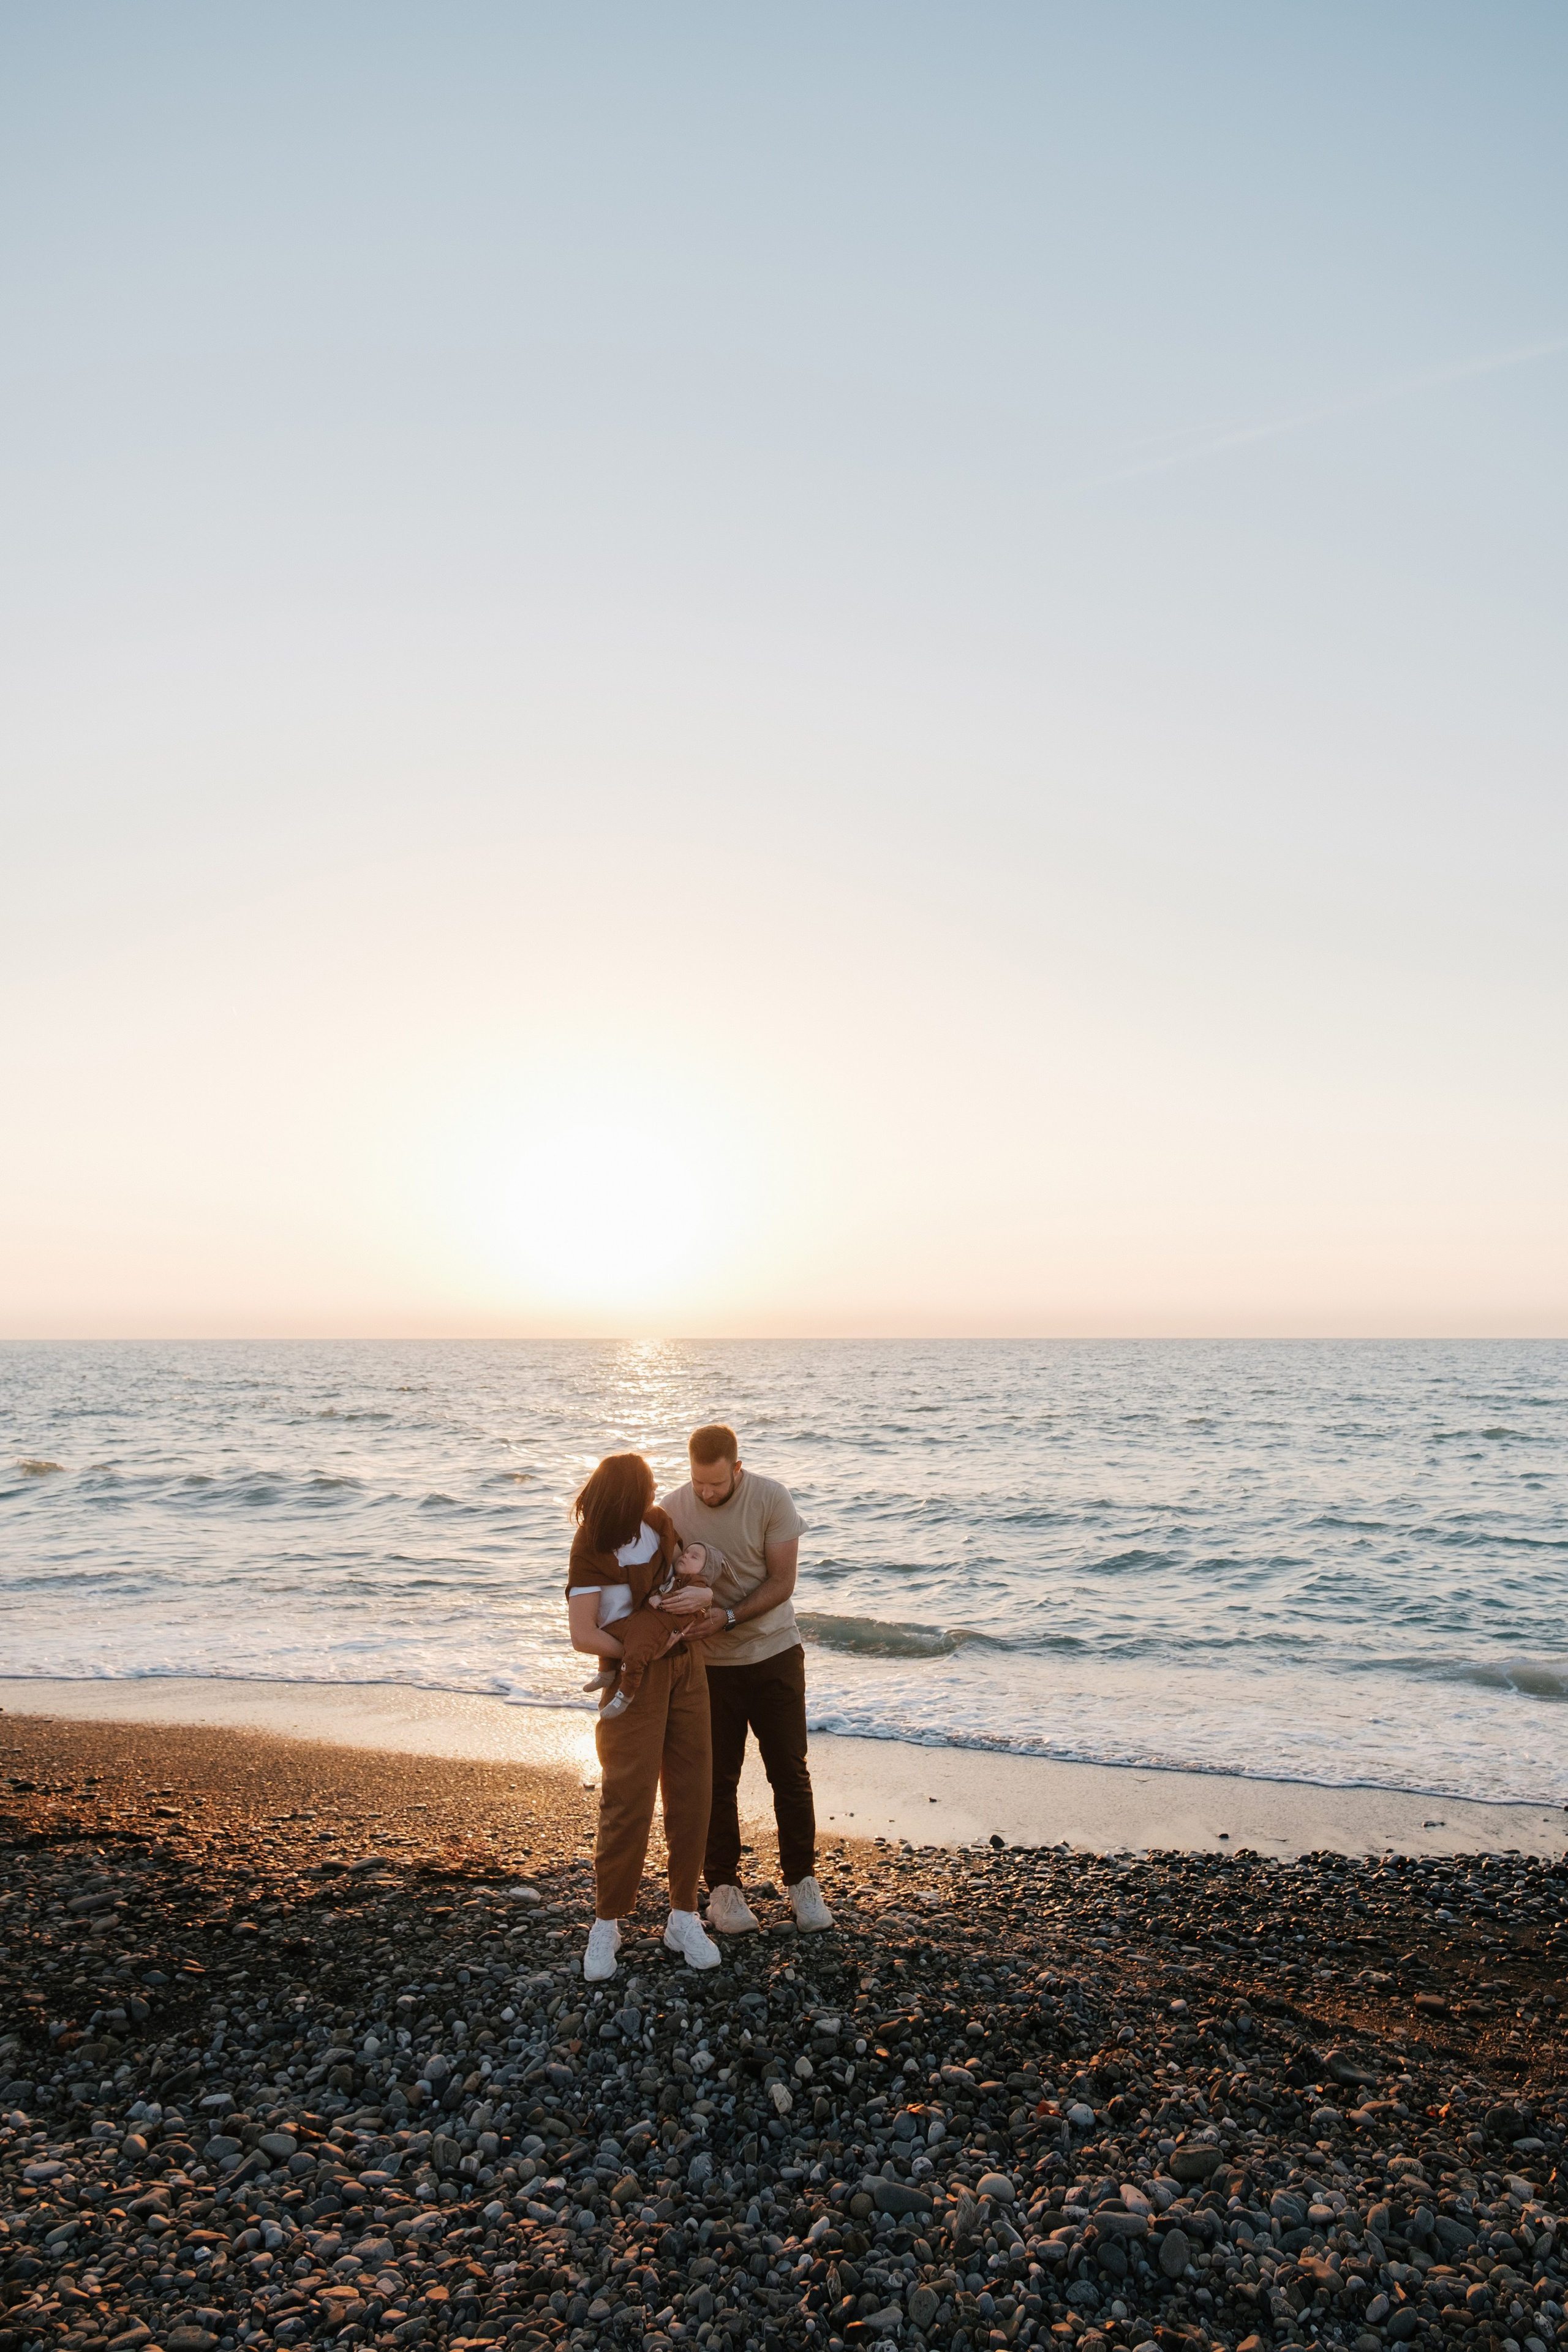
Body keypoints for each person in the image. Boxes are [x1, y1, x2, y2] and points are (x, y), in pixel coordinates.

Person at [663, 1423, 834, 1936]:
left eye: (716, 1483)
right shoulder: (672, 1509)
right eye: (699, 1483)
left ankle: (802, 1884)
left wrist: (729, 1617)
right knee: (718, 1781)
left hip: (775, 1654)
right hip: (709, 1669)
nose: (707, 1492)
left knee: (790, 1772)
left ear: (737, 1468)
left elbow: (782, 1582)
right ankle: (724, 1891)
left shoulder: (771, 1497)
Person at [566, 1451, 720, 1983]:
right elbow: (583, 1634)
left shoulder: (658, 1526)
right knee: (627, 1802)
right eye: (648, 1491)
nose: (655, 1499)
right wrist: (638, 1652)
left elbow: (686, 1584)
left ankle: (683, 1915)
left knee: (693, 1792)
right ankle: (607, 1922)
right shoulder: (591, 1546)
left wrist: (703, 1594)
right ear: (625, 1497)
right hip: (634, 1675)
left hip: (688, 1669)